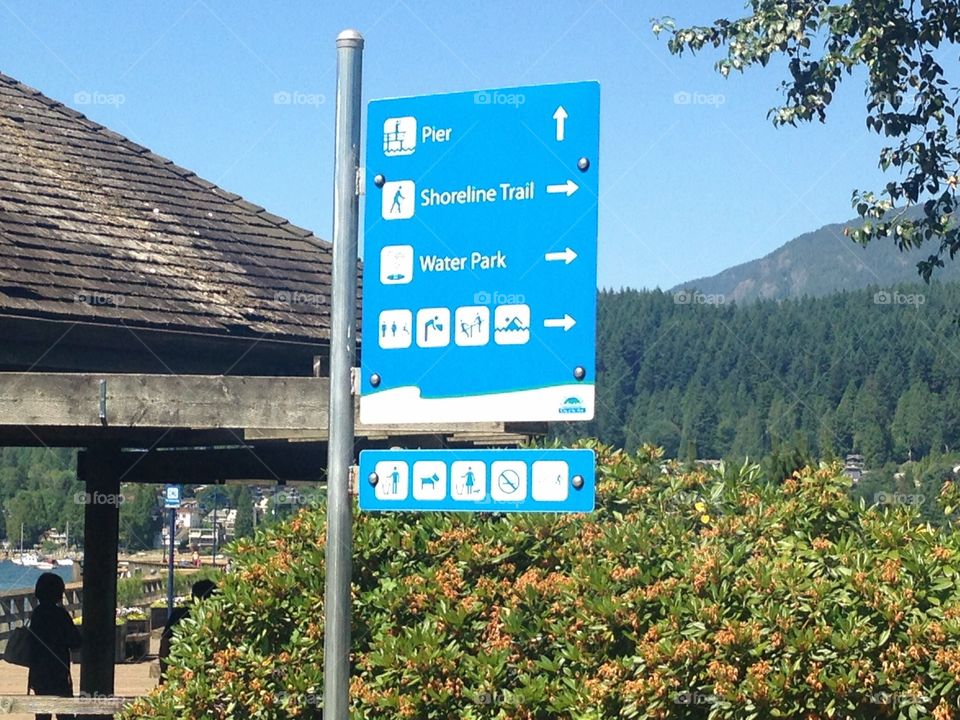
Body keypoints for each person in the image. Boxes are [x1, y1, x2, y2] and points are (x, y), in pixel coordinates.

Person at [28, 572, 81, 720]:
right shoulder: (60, 614)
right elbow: (76, 641)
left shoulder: (37, 614)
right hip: (59, 671)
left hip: (39, 671)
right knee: (65, 712)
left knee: (42, 714)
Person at [158, 579, 216, 682]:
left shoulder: (179, 614)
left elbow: (165, 644)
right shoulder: (219, 618)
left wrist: (165, 673)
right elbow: (165, 642)